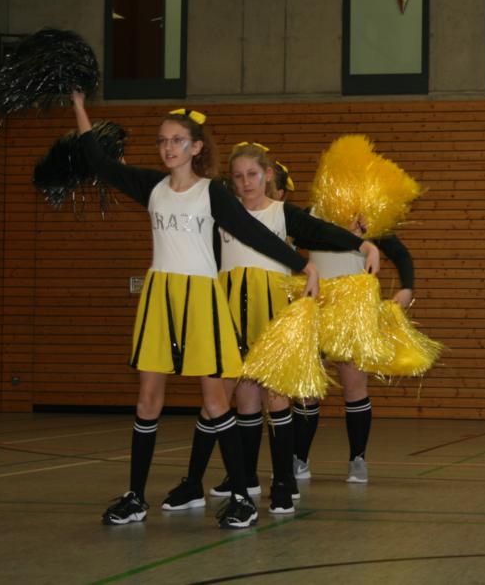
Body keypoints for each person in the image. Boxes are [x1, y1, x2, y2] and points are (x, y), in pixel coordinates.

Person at [70, 92, 318, 529]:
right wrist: (79, 107)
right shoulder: (152, 187)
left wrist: (302, 264)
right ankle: (135, 497)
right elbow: (101, 164)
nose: (168, 147)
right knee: (147, 399)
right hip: (160, 295)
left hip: (202, 297)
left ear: (196, 147)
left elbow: (252, 233)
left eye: (177, 140)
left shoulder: (212, 193)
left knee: (214, 399)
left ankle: (241, 497)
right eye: (163, 140)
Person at [165, 142, 379, 515]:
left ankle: (283, 482)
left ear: (267, 175)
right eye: (238, 176)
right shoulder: (223, 215)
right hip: (229, 314)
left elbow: (320, 230)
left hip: (273, 314)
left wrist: (363, 245)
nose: (246, 182)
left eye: (252, 174)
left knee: (277, 398)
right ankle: (208, 481)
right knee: (224, 399)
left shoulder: (282, 214)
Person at [292, 224, 415, 484]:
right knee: (306, 389)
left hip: (352, 311)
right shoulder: (310, 216)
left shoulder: (367, 218)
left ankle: (357, 459)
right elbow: (295, 240)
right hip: (315, 306)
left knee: (354, 386)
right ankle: (299, 459)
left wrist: (407, 287)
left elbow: (400, 253)